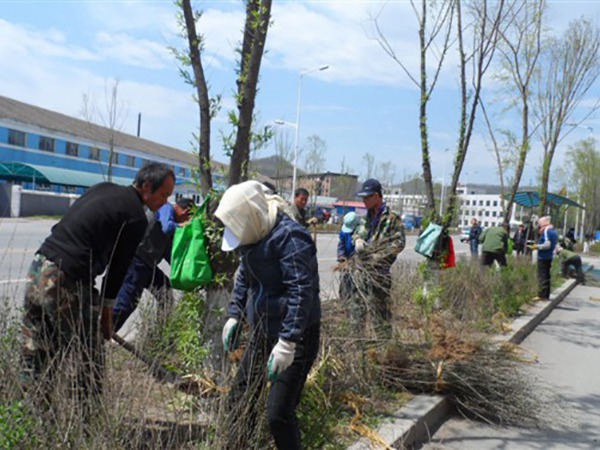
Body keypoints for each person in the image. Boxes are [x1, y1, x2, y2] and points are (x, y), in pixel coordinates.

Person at [20, 162, 175, 413]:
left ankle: (31, 422)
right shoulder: (136, 216)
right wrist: (105, 318)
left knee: (36, 353)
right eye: (163, 195)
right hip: (66, 280)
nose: (165, 202)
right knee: (87, 358)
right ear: (147, 187)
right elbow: (117, 270)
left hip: (38, 269)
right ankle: (88, 424)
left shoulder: (103, 188)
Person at [215, 180, 320, 450]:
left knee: (278, 413)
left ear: (251, 214)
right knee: (240, 397)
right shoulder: (251, 232)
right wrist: (235, 314)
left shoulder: (290, 237)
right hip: (263, 329)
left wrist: (288, 342)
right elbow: (244, 278)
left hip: (296, 336)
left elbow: (301, 291)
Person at [112, 197, 195, 332]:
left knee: (165, 292)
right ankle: (101, 336)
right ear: (185, 212)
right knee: (126, 304)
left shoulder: (171, 223)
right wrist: (183, 226)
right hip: (136, 261)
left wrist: (187, 273)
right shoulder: (165, 208)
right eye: (187, 219)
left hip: (147, 266)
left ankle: (159, 333)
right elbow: (167, 227)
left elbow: (170, 255)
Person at [352, 178, 406, 334]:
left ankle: (383, 347)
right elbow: (357, 233)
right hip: (361, 272)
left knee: (380, 314)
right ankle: (359, 343)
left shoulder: (392, 218)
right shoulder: (366, 217)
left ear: (376, 196)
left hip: (379, 274)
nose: (364, 201)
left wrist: (376, 257)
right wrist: (358, 240)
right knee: (357, 310)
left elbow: (399, 243)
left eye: (366, 197)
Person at [530, 216, 559, 301]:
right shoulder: (554, 232)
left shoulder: (546, 231)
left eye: (539, 224)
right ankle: (546, 295)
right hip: (549, 256)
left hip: (543, 257)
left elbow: (547, 244)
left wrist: (537, 246)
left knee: (541, 276)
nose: (538, 226)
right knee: (546, 276)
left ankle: (541, 295)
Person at [337, 211, 359, 300]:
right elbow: (341, 244)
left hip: (358, 262)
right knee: (345, 283)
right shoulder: (344, 232)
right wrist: (342, 258)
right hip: (347, 260)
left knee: (356, 286)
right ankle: (344, 300)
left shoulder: (362, 231)